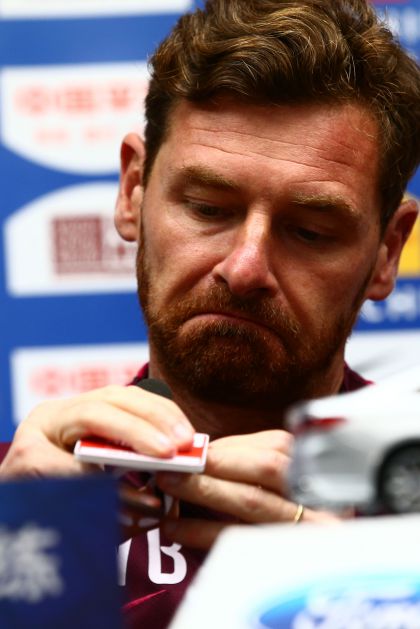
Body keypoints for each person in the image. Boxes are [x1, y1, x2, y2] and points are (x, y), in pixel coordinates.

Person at [1, 0, 420, 626]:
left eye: (310, 231)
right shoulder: (21, 497)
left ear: (387, 251)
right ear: (133, 191)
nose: (246, 268)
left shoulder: (409, 524)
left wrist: (378, 590)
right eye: (206, 208)